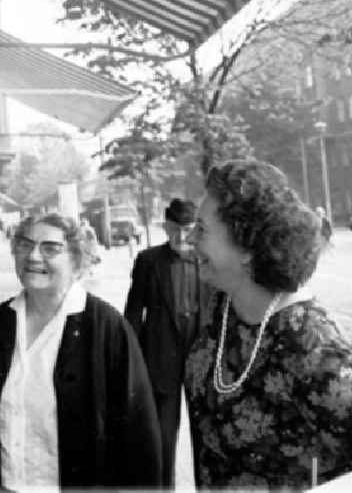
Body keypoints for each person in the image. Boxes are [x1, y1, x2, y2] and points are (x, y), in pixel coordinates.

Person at [185, 159, 352, 488]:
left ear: (246, 247)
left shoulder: (312, 349)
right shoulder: (222, 306)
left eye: (201, 230)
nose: (190, 238)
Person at [0, 213, 162, 489]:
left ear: (77, 261)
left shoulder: (107, 328)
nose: (34, 256)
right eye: (25, 245)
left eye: (50, 249)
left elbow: (140, 434)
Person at [124, 197, 212, 488]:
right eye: (175, 229)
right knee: (162, 437)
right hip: (160, 358)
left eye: (188, 229)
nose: (182, 236)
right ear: (165, 227)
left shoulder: (209, 259)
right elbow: (134, 311)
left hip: (202, 362)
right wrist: (131, 358)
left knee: (206, 436)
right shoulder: (148, 261)